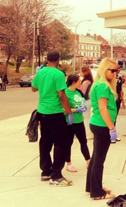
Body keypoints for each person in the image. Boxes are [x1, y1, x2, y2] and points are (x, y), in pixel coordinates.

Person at [31, 51, 73, 186]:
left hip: (42, 112)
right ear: (59, 59)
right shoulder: (58, 74)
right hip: (55, 112)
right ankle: (56, 175)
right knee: (61, 143)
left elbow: (33, 88)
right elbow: (61, 95)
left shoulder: (41, 72)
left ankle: (45, 171)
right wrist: (68, 111)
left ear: (46, 59)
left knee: (45, 142)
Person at [85, 58, 118, 200]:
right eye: (112, 70)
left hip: (98, 124)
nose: (115, 73)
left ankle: (91, 186)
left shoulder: (99, 84)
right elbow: (103, 108)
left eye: (117, 70)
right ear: (104, 70)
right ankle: (97, 192)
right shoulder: (103, 86)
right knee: (99, 160)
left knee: (95, 158)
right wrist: (111, 127)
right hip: (102, 125)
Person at [64, 74, 91, 172]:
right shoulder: (65, 93)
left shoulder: (78, 92)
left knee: (83, 141)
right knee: (68, 143)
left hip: (79, 121)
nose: (80, 83)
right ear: (74, 82)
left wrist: (83, 107)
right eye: (79, 81)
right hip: (70, 122)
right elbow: (63, 109)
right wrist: (76, 110)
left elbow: (82, 102)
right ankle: (68, 163)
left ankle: (88, 161)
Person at [79, 65, 94, 139]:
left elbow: (82, 92)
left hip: (85, 101)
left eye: (81, 71)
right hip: (89, 100)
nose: (80, 73)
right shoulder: (90, 80)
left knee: (87, 118)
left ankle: (91, 133)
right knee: (87, 117)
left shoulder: (86, 82)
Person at [113, 67, 125, 143]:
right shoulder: (108, 78)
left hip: (117, 99)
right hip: (111, 99)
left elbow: (120, 89)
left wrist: (123, 101)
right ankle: (110, 134)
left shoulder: (119, 77)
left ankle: (113, 134)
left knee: (114, 116)